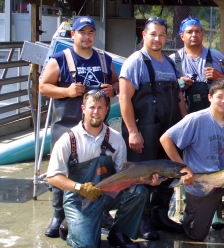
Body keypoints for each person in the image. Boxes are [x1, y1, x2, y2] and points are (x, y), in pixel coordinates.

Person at [39, 16, 119, 238]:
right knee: (61, 168)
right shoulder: (59, 59)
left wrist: (113, 89)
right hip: (66, 124)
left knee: (100, 165)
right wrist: (66, 92)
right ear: (73, 35)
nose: (87, 36)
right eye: (82, 32)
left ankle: (101, 210)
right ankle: (59, 214)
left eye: (90, 32)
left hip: (96, 126)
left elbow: (116, 82)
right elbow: (43, 86)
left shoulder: (104, 59)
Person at [46, 90, 155, 248]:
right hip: (79, 199)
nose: (96, 112)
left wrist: (144, 179)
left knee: (139, 192)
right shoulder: (68, 139)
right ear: (83, 109)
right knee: (88, 245)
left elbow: (122, 175)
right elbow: (53, 177)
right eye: (92, 107)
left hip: (108, 193)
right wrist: (80, 187)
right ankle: (69, 225)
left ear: (106, 110)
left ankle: (119, 233)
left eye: (100, 107)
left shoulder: (116, 138)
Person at [160, 78, 224, 248]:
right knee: (196, 236)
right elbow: (165, 139)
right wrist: (183, 168)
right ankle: (191, 215)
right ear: (210, 97)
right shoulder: (196, 119)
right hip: (199, 184)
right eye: (220, 96)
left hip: (223, 180)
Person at [119, 17, 188, 240]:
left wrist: (185, 124)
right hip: (144, 130)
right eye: (153, 34)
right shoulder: (135, 61)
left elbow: (179, 96)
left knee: (169, 173)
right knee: (144, 176)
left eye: (162, 35)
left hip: (169, 130)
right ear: (144, 36)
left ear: (166, 37)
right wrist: (132, 131)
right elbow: (124, 99)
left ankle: (160, 215)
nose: (157, 39)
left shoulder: (170, 63)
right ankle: (143, 219)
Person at [170, 17, 224, 229]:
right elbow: (166, 88)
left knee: (216, 160)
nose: (194, 35)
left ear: (203, 34)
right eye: (190, 32)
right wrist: (178, 83)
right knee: (187, 164)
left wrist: (220, 76)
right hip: (185, 120)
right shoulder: (172, 60)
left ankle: (215, 212)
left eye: (198, 31)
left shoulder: (216, 57)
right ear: (181, 36)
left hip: (213, 120)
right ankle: (189, 209)